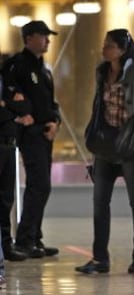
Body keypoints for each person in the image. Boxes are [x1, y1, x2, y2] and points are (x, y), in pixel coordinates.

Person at [75, 29, 134, 274]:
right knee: (99, 202)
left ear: (122, 49)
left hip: (132, 146)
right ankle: (100, 259)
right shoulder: (101, 73)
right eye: (104, 45)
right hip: (106, 145)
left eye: (109, 46)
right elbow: (98, 107)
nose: (104, 49)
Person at [1, 20, 61, 258]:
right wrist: (23, 113)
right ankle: (25, 239)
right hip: (30, 134)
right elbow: (14, 100)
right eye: (43, 36)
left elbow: (50, 102)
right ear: (29, 38)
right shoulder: (18, 66)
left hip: (46, 133)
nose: (47, 40)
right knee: (39, 185)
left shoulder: (43, 68)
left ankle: (34, 237)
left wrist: (55, 121)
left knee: (42, 187)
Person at [0, 71, 31, 262]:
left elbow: (27, 106)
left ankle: (5, 245)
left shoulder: (7, 78)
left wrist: (6, 106)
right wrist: (13, 112)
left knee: (6, 200)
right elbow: (18, 109)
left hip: (9, 144)